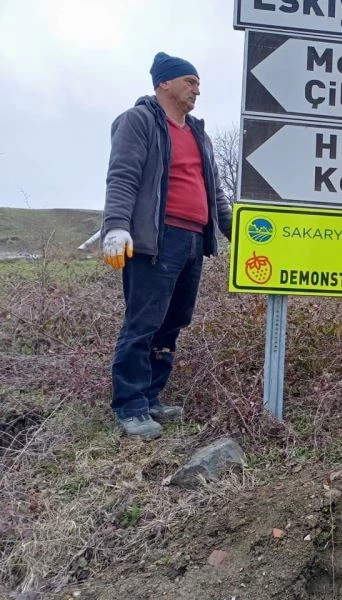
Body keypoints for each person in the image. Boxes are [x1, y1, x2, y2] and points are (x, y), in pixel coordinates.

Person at [102, 52, 233, 440]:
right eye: (190, 81)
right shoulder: (138, 121)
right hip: (155, 240)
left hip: (194, 240)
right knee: (143, 322)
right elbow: (123, 176)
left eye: (197, 83)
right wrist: (116, 227)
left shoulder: (199, 133)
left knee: (174, 321)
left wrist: (234, 231)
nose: (197, 89)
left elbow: (216, 194)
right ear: (164, 83)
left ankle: (152, 395)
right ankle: (130, 406)